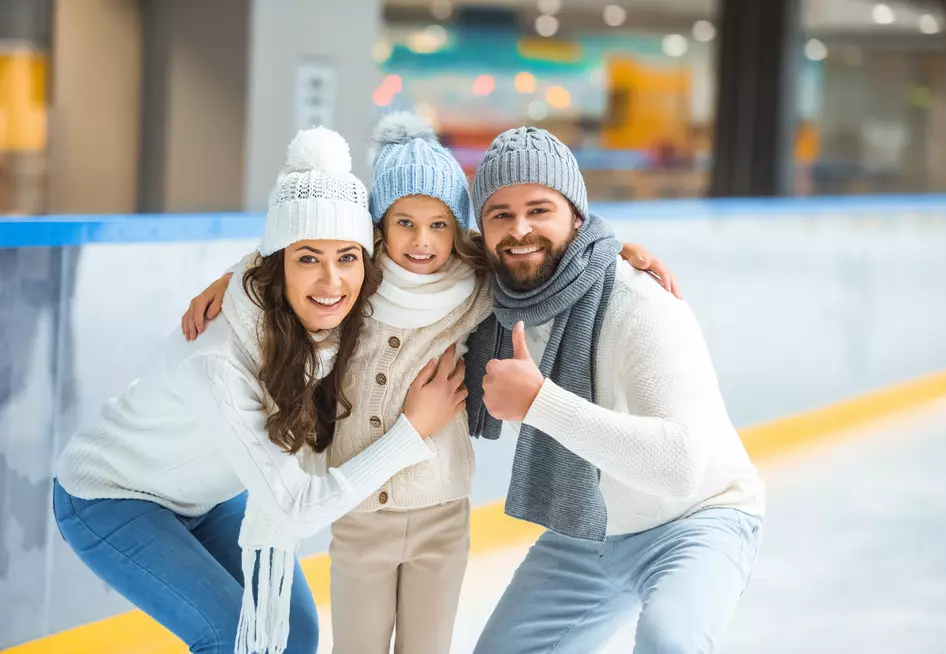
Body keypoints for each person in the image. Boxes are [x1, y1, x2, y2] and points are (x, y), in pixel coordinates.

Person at [179, 114, 682, 654]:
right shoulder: (352, 287)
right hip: (359, 514)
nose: (422, 241)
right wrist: (234, 276)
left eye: (439, 224)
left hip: (441, 512)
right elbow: (295, 253)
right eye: (405, 223)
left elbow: (552, 258)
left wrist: (619, 248)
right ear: (378, 228)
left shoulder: (475, 287)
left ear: (458, 229)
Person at [52, 127, 466, 654]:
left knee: (295, 634)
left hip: (207, 495)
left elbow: (431, 265)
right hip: (111, 495)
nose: (331, 281)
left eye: (346, 257)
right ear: (278, 264)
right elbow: (297, 510)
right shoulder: (216, 362)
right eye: (308, 258)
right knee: (229, 637)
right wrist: (411, 434)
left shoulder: (338, 312)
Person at [464, 126, 765, 654]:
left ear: (577, 218)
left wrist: (539, 403)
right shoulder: (488, 299)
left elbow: (679, 467)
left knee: (670, 642)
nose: (520, 230)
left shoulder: (640, 302)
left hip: (695, 519)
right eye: (500, 214)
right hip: (586, 529)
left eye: (540, 210)